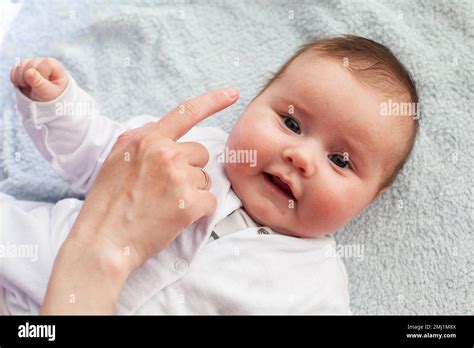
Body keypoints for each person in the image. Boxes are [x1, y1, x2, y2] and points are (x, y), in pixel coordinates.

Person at [2, 35, 418, 314]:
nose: (300, 156)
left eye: (340, 161)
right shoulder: (191, 145)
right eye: (291, 124)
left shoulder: (318, 289)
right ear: (253, 104)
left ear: (369, 200)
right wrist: (57, 105)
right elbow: (99, 152)